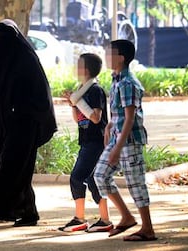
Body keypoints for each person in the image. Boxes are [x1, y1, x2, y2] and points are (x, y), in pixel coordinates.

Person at [0, 19, 57, 229]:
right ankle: (28, 213)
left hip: (25, 125)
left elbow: (41, 99)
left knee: (8, 170)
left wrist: (20, 112)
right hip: (4, 127)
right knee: (20, 171)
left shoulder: (27, 61)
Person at [93, 39, 157, 241]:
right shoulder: (117, 79)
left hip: (129, 141)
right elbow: (121, 114)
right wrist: (111, 125)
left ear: (120, 58)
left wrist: (117, 148)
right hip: (117, 138)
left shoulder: (128, 82)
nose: (106, 57)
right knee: (100, 175)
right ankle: (127, 217)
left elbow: (131, 118)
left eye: (109, 53)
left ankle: (148, 228)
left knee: (135, 183)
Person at [59, 53, 113, 233]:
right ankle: (103, 219)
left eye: (79, 66)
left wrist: (78, 102)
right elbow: (79, 119)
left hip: (96, 141)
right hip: (87, 140)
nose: (76, 69)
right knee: (92, 179)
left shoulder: (95, 90)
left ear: (86, 70)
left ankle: (80, 219)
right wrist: (74, 104)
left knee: (77, 177)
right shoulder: (81, 90)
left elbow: (96, 118)